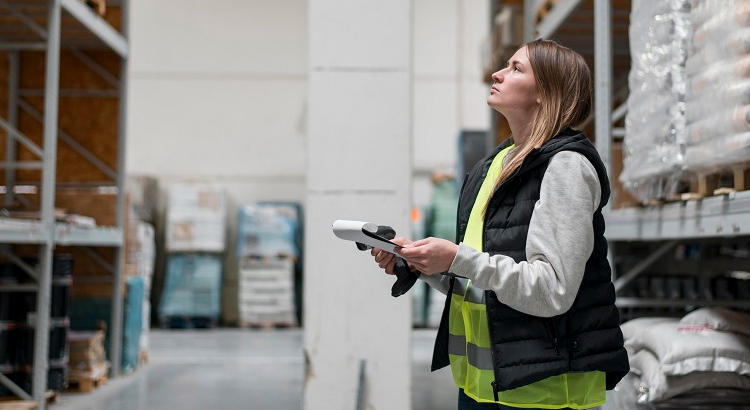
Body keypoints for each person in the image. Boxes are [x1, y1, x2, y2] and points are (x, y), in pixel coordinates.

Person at [371, 39, 629, 410]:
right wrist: (419, 262)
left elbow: (551, 290)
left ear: (546, 93)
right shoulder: (494, 166)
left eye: (516, 68)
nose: (497, 73)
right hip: (484, 385)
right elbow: (483, 282)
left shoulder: (566, 168)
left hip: (544, 391)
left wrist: (458, 258)